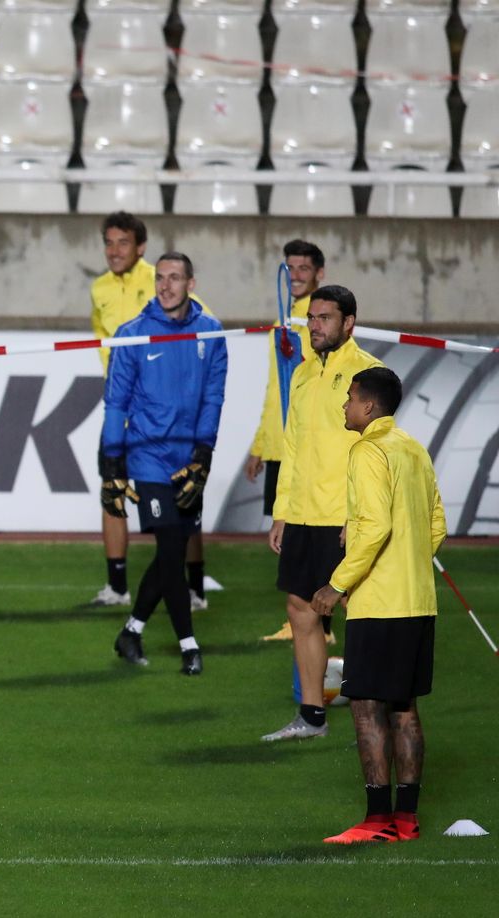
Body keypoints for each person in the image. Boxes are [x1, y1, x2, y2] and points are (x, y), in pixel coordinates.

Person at [312, 367, 445, 844]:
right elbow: (436, 524)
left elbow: (374, 527)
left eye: (349, 398)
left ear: (369, 406)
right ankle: (406, 820)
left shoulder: (367, 451)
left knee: (367, 707)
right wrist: (410, 562)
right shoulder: (413, 448)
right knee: (404, 706)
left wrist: (337, 584)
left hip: (380, 603)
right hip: (418, 599)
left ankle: (375, 822)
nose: (344, 406)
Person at [261, 286, 382, 743]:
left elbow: (376, 449)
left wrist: (361, 515)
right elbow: (292, 447)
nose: (314, 326)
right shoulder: (303, 374)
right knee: (300, 607)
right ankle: (312, 715)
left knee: (363, 612)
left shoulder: (368, 372)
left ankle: (376, 708)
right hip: (305, 514)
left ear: (349, 322)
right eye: (311, 318)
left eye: (325, 318)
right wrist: (282, 511)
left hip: (345, 516)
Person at [104, 253, 227, 676]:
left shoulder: (211, 333)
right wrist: (113, 466)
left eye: (175, 278)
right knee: (172, 547)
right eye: (160, 278)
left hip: (188, 460)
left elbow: (214, 397)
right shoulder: (132, 335)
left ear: (191, 284)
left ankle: (132, 630)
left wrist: (203, 456)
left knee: (172, 549)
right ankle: (189, 645)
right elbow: (115, 404)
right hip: (149, 457)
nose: (165, 285)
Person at [88, 212, 217, 611]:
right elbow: (102, 343)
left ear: (140, 247)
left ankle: (194, 589)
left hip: (164, 411)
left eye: (122, 242)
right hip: (123, 404)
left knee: (185, 495)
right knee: (110, 490)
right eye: (109, 242)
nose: (114, 251)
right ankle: (116, 586)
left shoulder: (161, 279)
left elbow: (203, 326)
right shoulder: (99, 289)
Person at [247, 240, 326, 643]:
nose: (295, 275)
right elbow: (274, 389)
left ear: (319, 274)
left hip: (305, 446)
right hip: (282, 444)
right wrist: (261, 444)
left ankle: (318, 623)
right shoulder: (284, 319)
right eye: (290, 268)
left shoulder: (315, 321)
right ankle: (310, 619)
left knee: (306, 536)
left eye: (303, 269)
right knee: (294, 537)